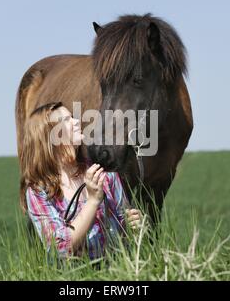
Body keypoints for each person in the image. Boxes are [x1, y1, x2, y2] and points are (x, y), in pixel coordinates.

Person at [19, 101, 143, 260]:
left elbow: (125, 234)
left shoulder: (105, 175)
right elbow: (60, 249)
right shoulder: (39, 192)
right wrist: (92, 201)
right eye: (67, 120)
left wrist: (136, 225)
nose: (77, 121)